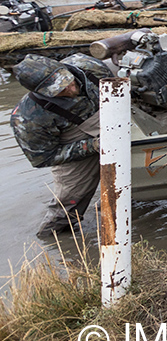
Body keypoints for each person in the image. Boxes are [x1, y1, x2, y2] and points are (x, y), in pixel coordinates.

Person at [10, 53, 113, 239]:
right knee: (68, 205)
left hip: (113, 115)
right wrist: (93, 145)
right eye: (59, 89)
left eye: (69, 81)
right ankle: (55, 242)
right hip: (75, 143)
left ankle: (113, 201)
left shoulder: (88, 66)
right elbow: (44, 158)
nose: (70, 88)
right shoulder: (27, 118)